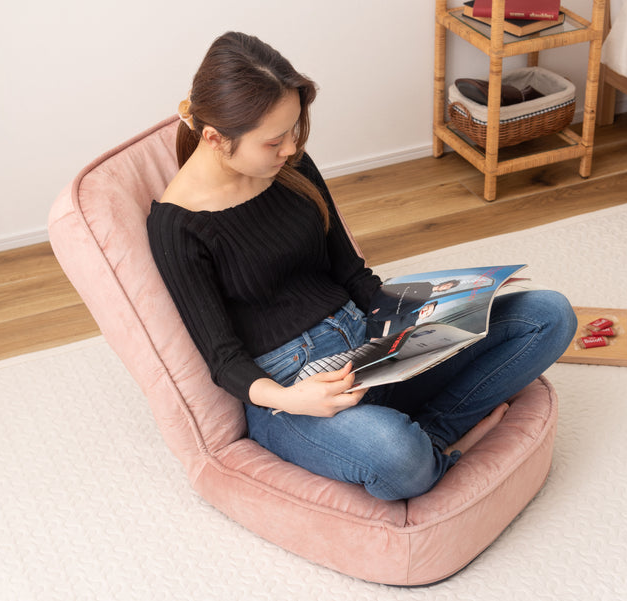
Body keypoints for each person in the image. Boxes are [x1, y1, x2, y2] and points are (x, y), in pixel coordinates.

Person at [147, 31, 577, 501]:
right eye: (274, 141)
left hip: (374, 346)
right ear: (215, 138)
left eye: (295, 130)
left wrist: (449, 302)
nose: (291, 148)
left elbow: (352, 274)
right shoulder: (177, 227)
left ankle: (434, 430)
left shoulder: (290, 168)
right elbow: (223, 357)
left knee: (549, 314)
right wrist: (291, 398)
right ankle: (428, 444)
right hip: (297, 392)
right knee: (396, 458)